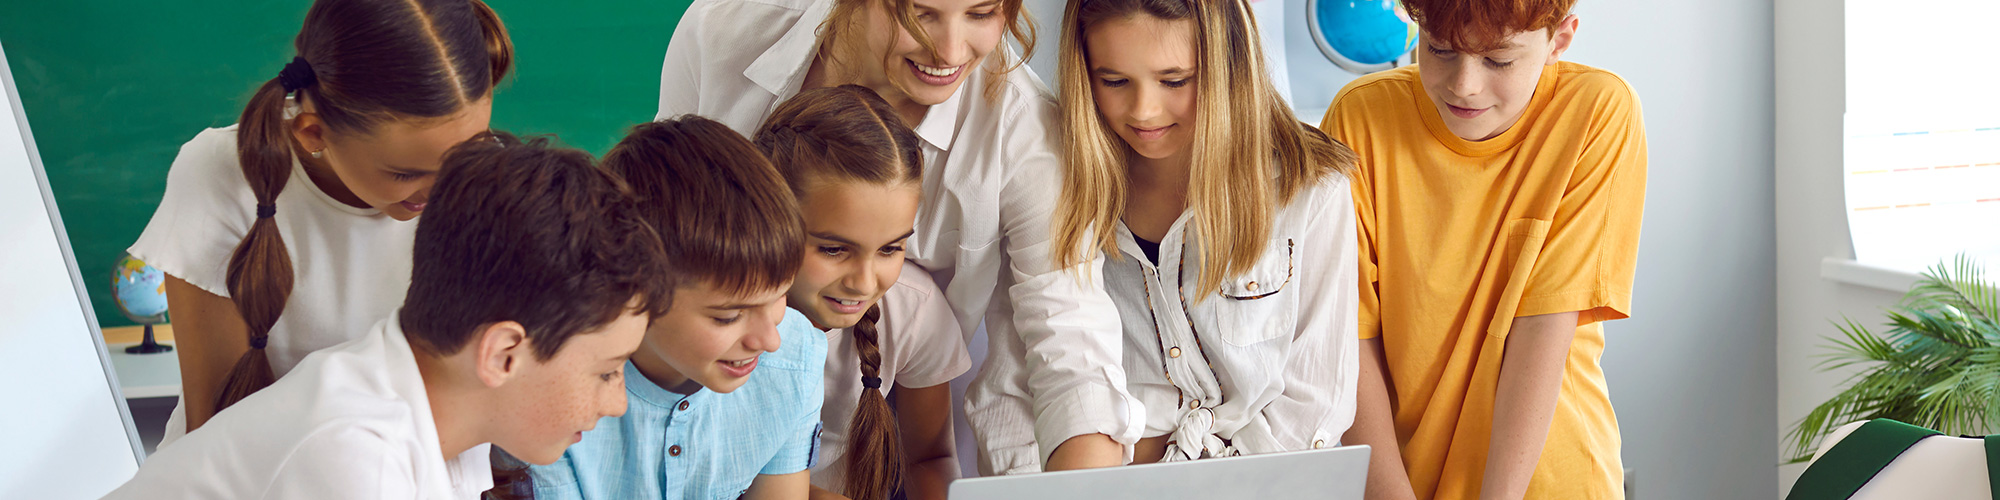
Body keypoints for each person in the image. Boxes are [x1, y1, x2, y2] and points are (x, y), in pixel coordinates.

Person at [657, 0, 1140, 473]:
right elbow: (659, 239)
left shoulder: (1025, 132)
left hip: (888, 438)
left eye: (981, 12)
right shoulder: (720, 30)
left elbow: (1071, 341)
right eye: (920, 13)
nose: (949, 52)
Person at [101, 133, 672, 499]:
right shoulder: (355, 455)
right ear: (502, 354)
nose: (617, 401)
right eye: (607, 371)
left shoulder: (449, 419)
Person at [126, 0, 513, 443]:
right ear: (313, 133)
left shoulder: (494, 187)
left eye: (467, 154)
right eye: (405, 173)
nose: (442, 189)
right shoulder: (220, 173)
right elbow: (215, 431)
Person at [1320, 0, 1648, 497]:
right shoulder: (1360, 117)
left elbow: (1543, 326)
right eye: (1440, 50)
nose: (1464, 84)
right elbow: (1347, 336)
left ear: (1559, 38)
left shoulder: (1597, 112)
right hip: (1399, 479)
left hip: (1547, 479)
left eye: (1498, 60)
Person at [1049, 0, 1361, 464]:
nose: (1144, 111)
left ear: (1227, 66)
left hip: (1272, 485)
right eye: (1113, 81)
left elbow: (1315, 400)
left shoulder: (1310, 188)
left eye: (1175, 81)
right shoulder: (1061, 184)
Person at [521, 116, 825, 500]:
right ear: (632, 290)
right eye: (728, 316)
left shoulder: (796, 358)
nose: (770, 341)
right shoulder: (550, 385)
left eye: (779, 296)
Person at [753, 85, 970, 500]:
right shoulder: (718, 319)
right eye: (834, 249)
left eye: (890, 248)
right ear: (770, 220)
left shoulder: (914, 308)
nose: (865, 282)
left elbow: (928, 457)